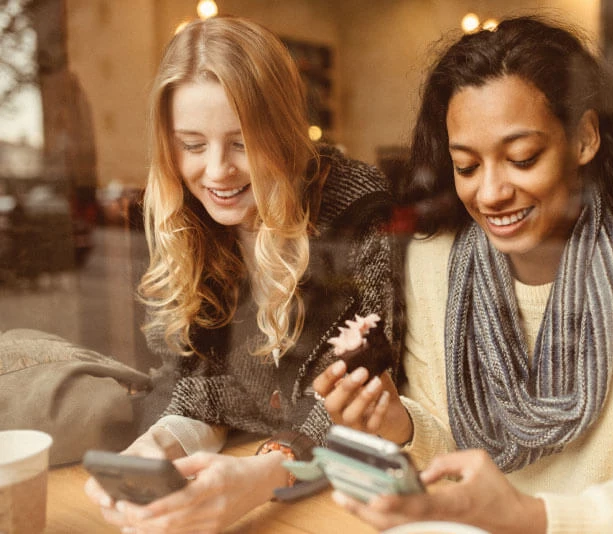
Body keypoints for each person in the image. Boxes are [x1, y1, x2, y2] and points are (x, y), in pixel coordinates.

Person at [314, 15, 613, 533]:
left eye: (522, 157)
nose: (491, 192)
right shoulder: (435, 262)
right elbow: (449, 457)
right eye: (467, 166)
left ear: (584, 138)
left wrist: (536, 517)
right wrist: (399, 425)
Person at [83, 15, 398, 533]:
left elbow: (362, 395)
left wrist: (260, 476)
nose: (216, 171)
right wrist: (155, 447)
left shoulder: (355, 208)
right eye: (192, 144)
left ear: (281, 130)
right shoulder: (188, 220)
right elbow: (199, 386)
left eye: (240, 141)